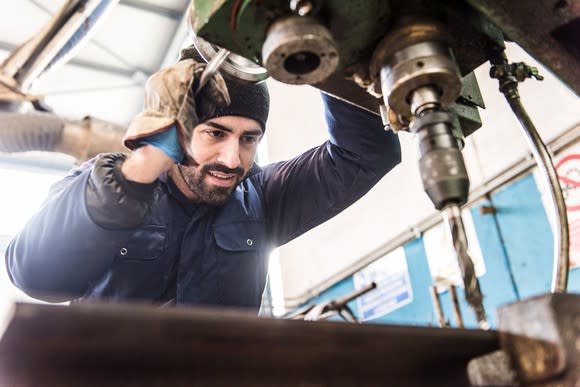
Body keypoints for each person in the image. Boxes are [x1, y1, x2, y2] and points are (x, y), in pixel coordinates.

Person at [4, 54, 401, 311]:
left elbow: (364, 155)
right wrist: (142, 167)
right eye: (215, 133)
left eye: (249, 139)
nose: (232, 160)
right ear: (180, 128)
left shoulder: (261, 200)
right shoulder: (111, 185)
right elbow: (33, 275)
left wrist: (330, 63)